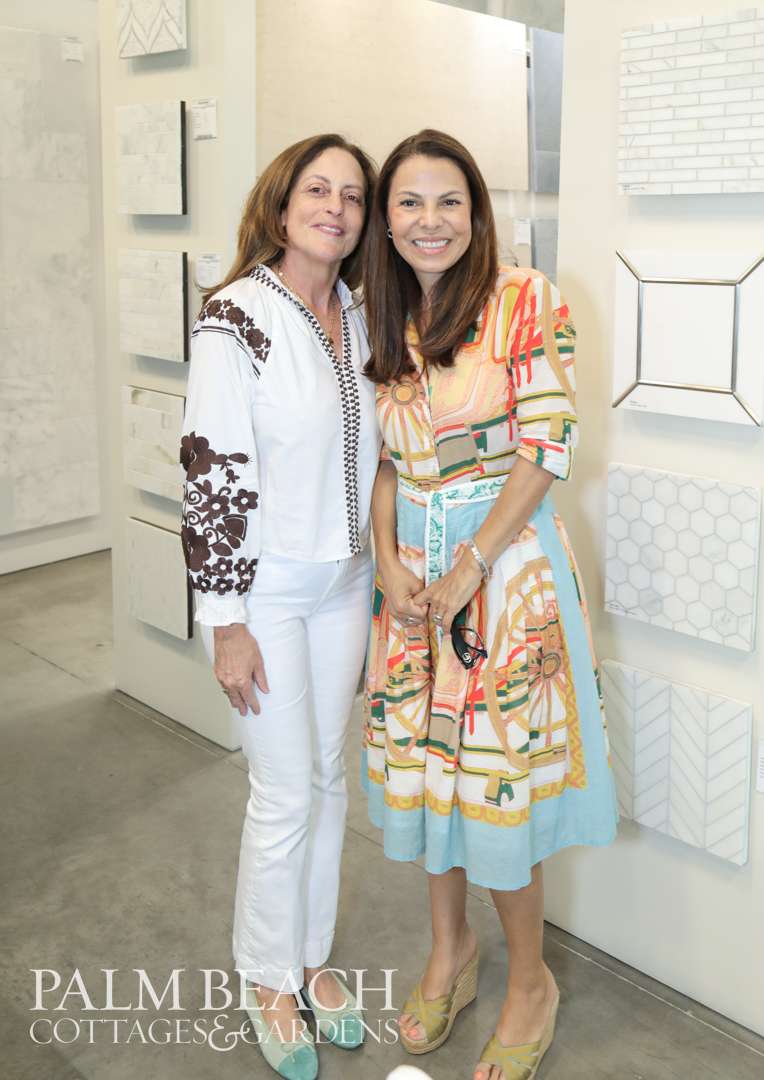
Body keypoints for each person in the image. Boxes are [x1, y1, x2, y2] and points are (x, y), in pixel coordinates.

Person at [362, 130, 618, 1080]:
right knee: (431, 774)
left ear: (476, 212)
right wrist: (386, 560)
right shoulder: (382, 311)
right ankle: (450, 951)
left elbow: (546, 449)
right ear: (387, 220)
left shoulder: (524, 298)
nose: (430, 221)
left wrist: (472, 563)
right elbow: (386, 462)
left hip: (505, 574)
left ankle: (530, 983)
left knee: (494, 781)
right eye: (410, 202)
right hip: (413, 582)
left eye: (449, 202)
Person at [179, 133, 380, 1080]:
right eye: (317, 189)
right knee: (285, 790)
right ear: (282, 201)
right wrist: (225, 621)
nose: (335, 207)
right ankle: (267, 978)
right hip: (263, 595)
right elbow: (210, 468)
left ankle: (309, 958)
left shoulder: (358, 312)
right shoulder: (236, 317)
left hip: (346, 584)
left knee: (330, 779)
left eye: (352, 195)